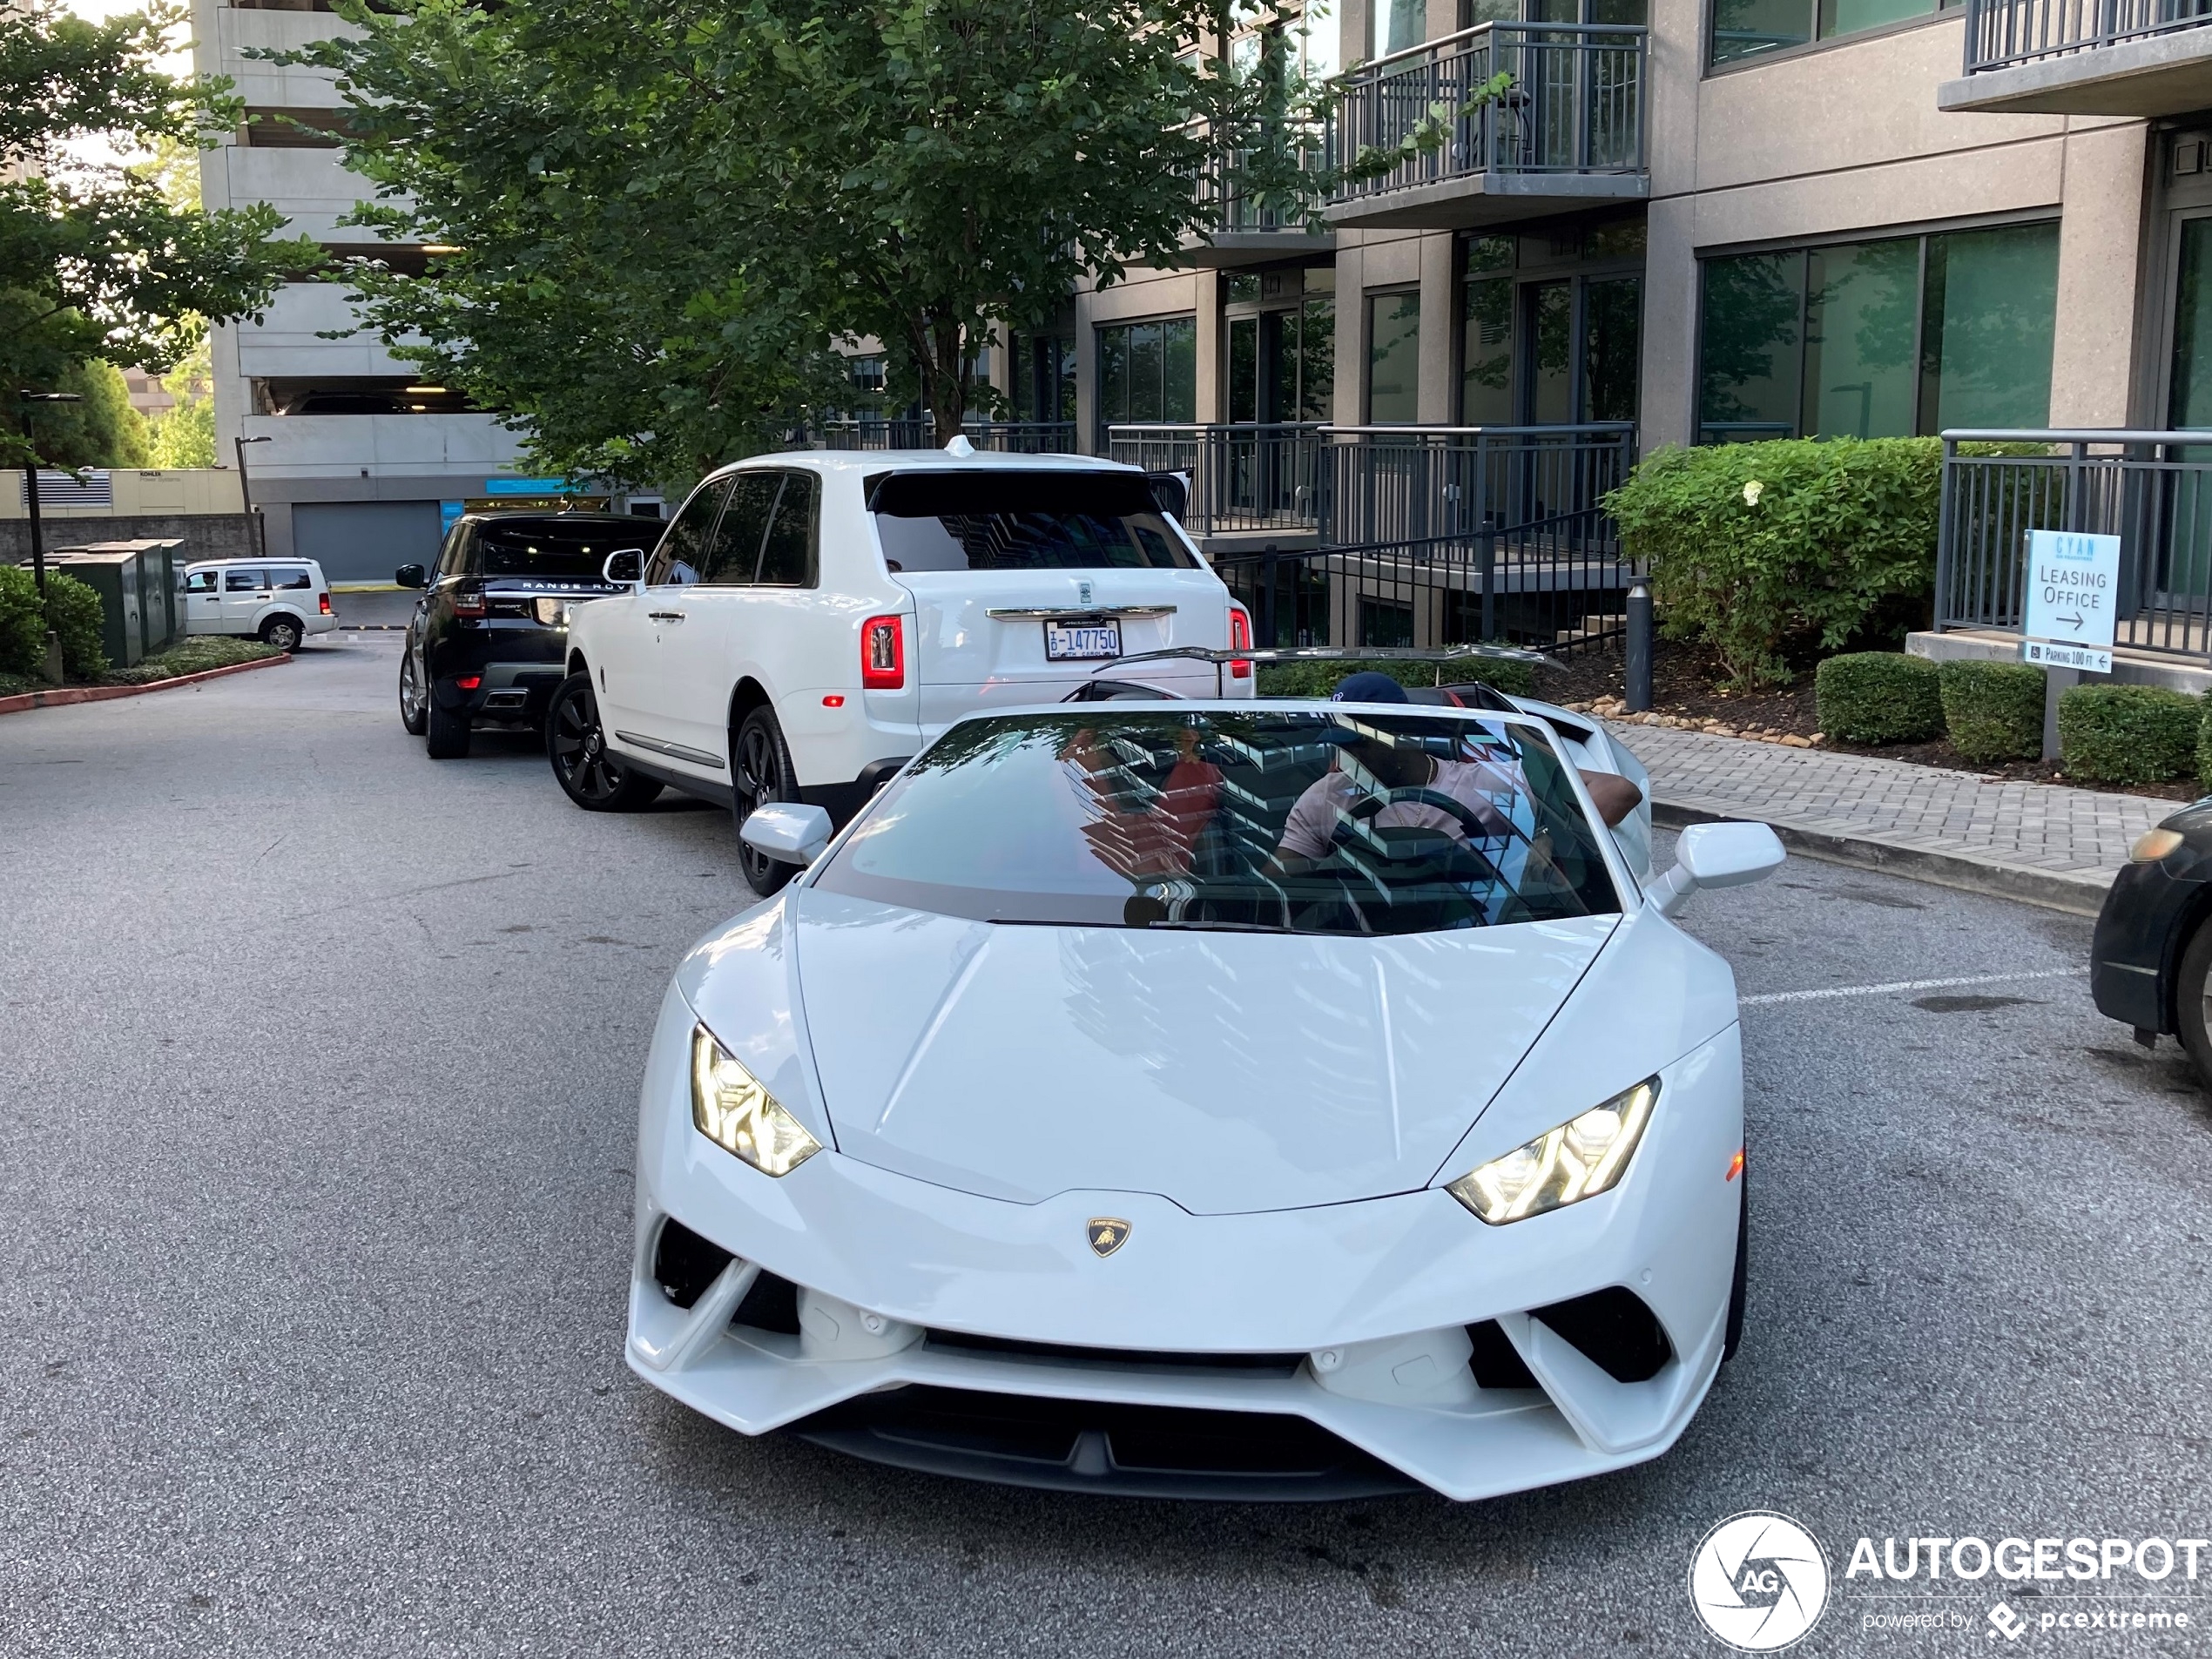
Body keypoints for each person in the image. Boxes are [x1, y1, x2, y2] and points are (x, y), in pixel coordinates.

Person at [1269, 671, 1642, 876]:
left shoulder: (1482, 782)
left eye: (1359, 741)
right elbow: (1278, 880)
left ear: (1399, 734)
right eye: (1341, 742)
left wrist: (1549, 838)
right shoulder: (1325, 797)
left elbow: (1618, 790)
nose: (1346, 754)